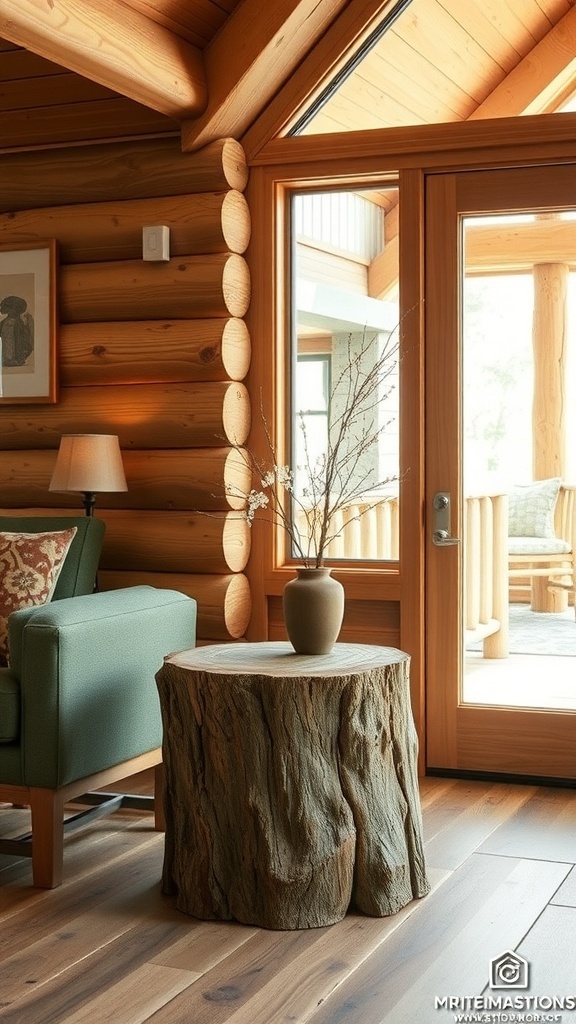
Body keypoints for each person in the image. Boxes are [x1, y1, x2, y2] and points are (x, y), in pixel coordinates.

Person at [0, 295, 34, 367]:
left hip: (15, 359)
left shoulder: (18, 323)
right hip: (9, 360)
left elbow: (24, 342)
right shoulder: (7, 322)